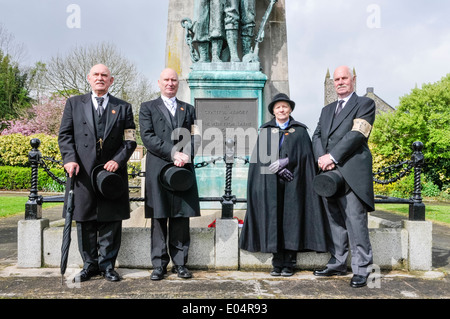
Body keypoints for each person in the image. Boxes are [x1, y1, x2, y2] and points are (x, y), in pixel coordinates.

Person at [58, 64, 137, 282]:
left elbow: (130, 140)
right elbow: (65, 136)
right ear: (89, 78)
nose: (100, 78)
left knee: (111, 220)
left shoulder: (124, 107)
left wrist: (118, 161)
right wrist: (70, 159)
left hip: (112, 174)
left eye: (104, 75)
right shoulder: (74, 103)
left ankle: (108, 266)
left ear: (111, 81)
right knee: (84, 220)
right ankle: (90, 265)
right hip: (82, 173)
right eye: (96, 75)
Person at [239, 93, 328, 276]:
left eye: (285, 107)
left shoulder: (300, 131)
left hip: (294, 182)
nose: (281, 110)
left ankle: (289, 262)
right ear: (273, 110)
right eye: (278, 107)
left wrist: (288, 161)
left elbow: (306, 156)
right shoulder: (265, 130)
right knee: (274, 219)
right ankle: (277, 261)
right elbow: (260, 160)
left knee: (291, 220)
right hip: (271, 183)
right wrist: (276, 168)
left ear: (290, 109)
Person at [311, 65, 376, 288]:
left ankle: (362, 269)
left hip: (351, 173)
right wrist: (321, 158)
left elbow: (357, 134)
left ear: (353, 80)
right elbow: (317, 134)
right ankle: (338, 262)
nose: (339, 82)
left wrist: (332, 156)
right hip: (328, 174)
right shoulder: (326, 109)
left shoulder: (365, 104)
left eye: (344, 78)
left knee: (355, 222)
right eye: (336, 79)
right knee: (335, 221)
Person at [139, 68, 201, 280]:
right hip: (159, 168)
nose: (170, 83)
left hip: (183, 168)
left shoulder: (189, 109)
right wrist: (174, 153)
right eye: (166, 80)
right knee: (159, 216)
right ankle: (158, 265)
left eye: (174, 80)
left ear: (178, 83)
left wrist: (186, 155)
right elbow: (147, 137)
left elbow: (197, 135)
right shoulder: (147, 107)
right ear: (159, 82)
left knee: (181, 217)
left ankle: (181, 263)